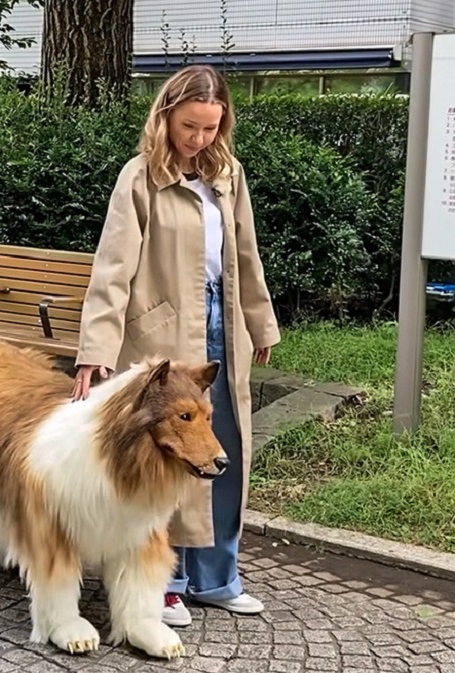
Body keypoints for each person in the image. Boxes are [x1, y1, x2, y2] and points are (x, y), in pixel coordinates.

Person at [70, 64, 280, 628]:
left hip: (222, 325)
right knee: (167, 458)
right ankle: (165, 583)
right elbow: (111, 270)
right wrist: (96, 349)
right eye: (191, 126)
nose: (200, 139)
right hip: (161, 336)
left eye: (212, 128)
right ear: (166, 116)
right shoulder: (138, 178)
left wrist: (261, 324)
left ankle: (218, 579)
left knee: (222, 451)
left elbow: (246, 255)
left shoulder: (227, 174)